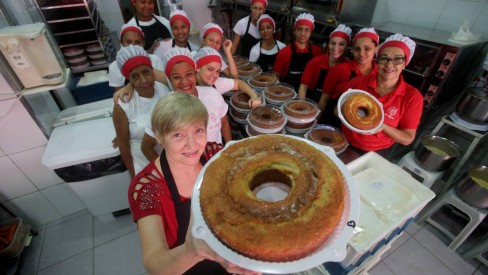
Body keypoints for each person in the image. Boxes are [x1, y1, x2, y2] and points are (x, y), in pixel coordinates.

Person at [128, 92, 258, 274]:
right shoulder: (147, 187)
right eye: (178, 135)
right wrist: (194, 251)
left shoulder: (214, 155)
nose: (192, 145)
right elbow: (154, 263)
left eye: (198, 130)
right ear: (159, 137)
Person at [141, 48, 232, 161]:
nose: (184, 82)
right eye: (177, 77)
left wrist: (229, 150)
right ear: (170, 80)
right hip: (187, 171)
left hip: (217, 161)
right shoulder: (163, 108)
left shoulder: (213, 94)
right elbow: (146, 146)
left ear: (195, 73)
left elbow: (224, 123)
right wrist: (166, 173)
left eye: (189, 74)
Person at [342, 34, 423, 157]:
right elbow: (337, 111)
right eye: (384, 58)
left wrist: (382, 126)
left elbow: (407, 139)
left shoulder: (412, 97)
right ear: (378, 61)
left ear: (404, 63)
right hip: (344, 142)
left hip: (376, 153)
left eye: (397, 59)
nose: (389, 65)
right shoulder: (357, 82)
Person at [112, 45, 170, 178]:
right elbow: (124, 146)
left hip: (172, 160)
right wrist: (134, 176)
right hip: (144, 167)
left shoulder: (166, 89)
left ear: (152, 70)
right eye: (135, 77)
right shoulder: (123, 105)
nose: (143, 80)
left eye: (146, 72)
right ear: (128, 78)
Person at [318, 27, 379, 127]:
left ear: (376, 48)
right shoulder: (340, 69)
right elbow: (324, 99)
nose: (361, 53)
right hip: (332, 120)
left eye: (367, 48)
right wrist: (315, 122)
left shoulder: (380, 76)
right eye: (357, 49)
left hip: (361, 126)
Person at [297, 24, 351, 105]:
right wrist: (302, 105)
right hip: (310, 102)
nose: (336, 48)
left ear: (346, 47)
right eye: (333, 43)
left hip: (331, 107)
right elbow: (303, 86)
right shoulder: (315, 62)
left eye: (341, 44)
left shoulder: (347, 67)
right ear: (328, 44)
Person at [193, 46, 262, 107]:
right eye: (210, 69)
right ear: (198, 67)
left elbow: (239, 83)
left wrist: (253, 96)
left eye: (218, 71)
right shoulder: (188, 87)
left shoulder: (216, 83)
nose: (214, 75)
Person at [273, 13, 323, 92]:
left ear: (311, 32)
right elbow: (276, 75)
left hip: (309, 95)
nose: (303, 33)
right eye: (299, 29)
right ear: (294, 31)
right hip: (287, 93)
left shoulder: (317, 52)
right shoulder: (284, 52)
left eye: (307, 30)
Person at [109, 24, 164, 91]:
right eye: (128, 42)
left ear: (143, 43)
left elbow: (163, 84)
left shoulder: (155, 59)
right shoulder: (113, 67)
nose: (133, 46)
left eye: (137, 42)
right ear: (121, 43)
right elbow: (121, 94)